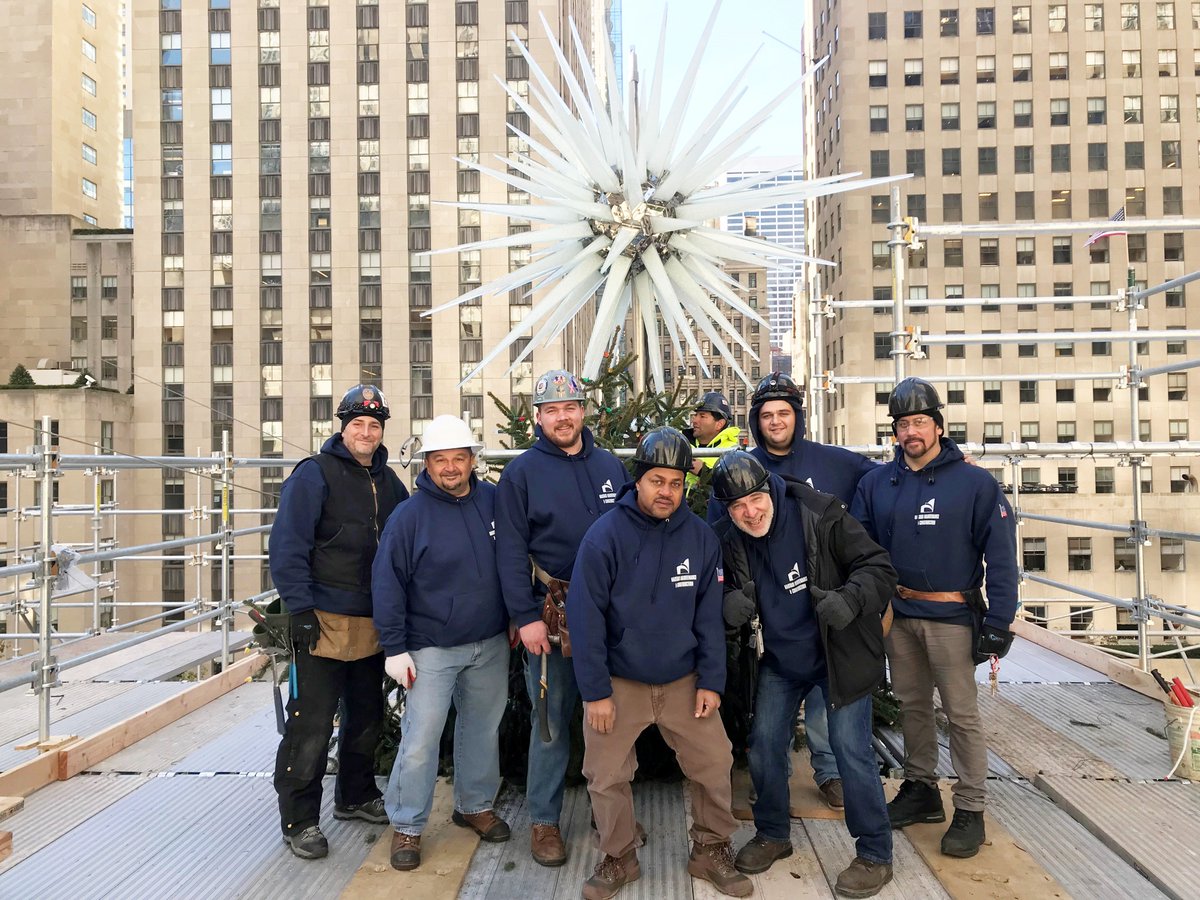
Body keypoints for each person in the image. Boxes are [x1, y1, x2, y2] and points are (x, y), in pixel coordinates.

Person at [567, 427, 752, 900]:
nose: (666, 491)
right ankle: (619, 857)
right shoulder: (603, 537)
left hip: (684, 680)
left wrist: (711, 680)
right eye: (657, 481)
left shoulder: (701, 538)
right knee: (606, 774)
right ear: (639, 480)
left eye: (675, 482)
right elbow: (585, 620)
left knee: (714, 762)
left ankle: (710, 850)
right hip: (619, 682)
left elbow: (709, 617)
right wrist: (596, 692)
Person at [712, 450, 897, 897]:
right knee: (763, 746)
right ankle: (774, 833)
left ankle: (875, 853)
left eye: (754, 499)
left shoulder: (821, 514)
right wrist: (727, 607)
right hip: (780, 660)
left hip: (838, 655)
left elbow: (879, 568)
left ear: (768, 489)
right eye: (737, 507)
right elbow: (711, 591)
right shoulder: (728, 538)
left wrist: (851, 599)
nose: (750, 512)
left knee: (851, 751)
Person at [851, 378, 1017, 859]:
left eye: (920, 422)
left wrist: (999, 621)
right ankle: (922, 789)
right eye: (903, 424)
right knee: (912, 706)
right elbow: (860, 548)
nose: (911, 432)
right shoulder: (878, 483)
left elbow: (1002, 557)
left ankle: (970, 806)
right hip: (898, 614)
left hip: (951, 616)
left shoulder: (974, 483)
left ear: (939, 426)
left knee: (961, 714)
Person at [711, 371, 878, 810]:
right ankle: (773, 783)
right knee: (768, 726)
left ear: (798, 417)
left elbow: (889, 478)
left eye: (784, 413)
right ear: (755, 421)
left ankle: (829, 772)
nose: (776, 421)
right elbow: (718, 540)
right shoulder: (741, 470)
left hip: (831, 618)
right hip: (775, 628)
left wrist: (950, 458)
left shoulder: (835, 463)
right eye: (767, 415)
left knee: (832, 713)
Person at [495, 369, 631, 866]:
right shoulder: (521, 475)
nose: (562, 417)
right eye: (551, 410)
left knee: (609, 720)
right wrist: (525, 617)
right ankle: (545, 821)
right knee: (550, 720)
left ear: (583, 411)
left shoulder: (611, 468)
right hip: (550, 614)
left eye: (570, 407)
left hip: (609, 615)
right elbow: (510, 553)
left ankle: (607, 812)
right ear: (537, 417)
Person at [270, 384, 409, 860]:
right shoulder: (315, 475)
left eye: (374, 425)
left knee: (365, 717)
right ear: (342, 428)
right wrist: (300, 609)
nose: (366, 432)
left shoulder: (391, 482)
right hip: (324, 618)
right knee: (310, 724)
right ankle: (300, 818)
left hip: (374, 620)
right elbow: (288, 545)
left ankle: (355, 793)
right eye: (357, 424)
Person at [372, 415, 511, 871]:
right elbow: (387, 584)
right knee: (420, 739)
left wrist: (516, 617)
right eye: (440, 460)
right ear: (426, 464)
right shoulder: (409, 518)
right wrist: (394, 648)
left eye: (458, 458)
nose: (450, 467)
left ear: (473, 460)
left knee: (482, 729)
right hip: (430, 646)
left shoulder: (494, 502)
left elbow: (513, 562)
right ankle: (407, 825)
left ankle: (473, 805)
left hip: (489, 641)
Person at [687, 391, 741, 476]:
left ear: (719, 424)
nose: (694, 420)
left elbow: (735, 484)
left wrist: (704, 472)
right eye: (695, 415)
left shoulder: (732, 452)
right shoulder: (682, 444)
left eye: (702, 416)